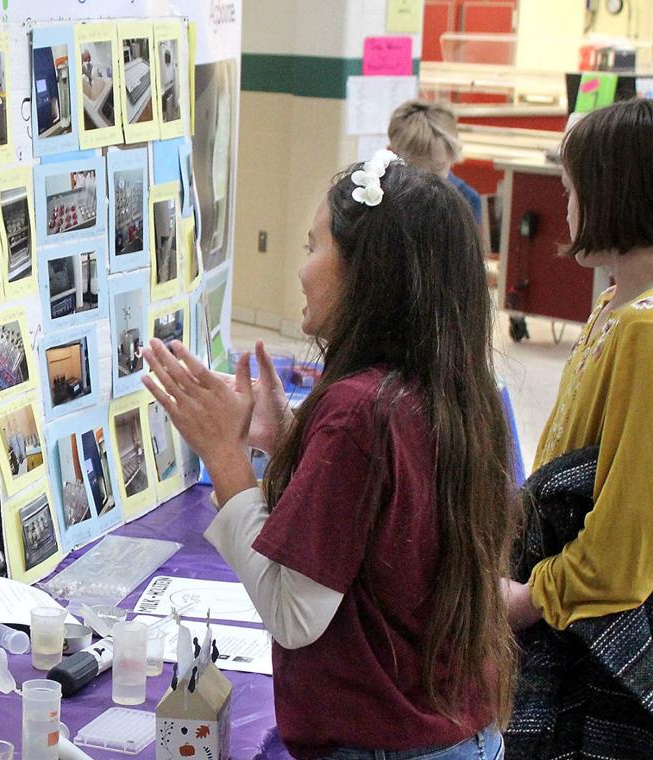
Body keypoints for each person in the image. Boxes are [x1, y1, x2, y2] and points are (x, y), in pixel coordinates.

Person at [142, 151, 516, 759]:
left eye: (314, 246)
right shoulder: (446, 388)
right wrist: (293, 439)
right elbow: (391, 515)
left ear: (365, 271)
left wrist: (225, 457)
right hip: (457, 730)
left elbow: (295, 614)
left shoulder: (357, 410)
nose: (302, 269)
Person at [503, 99, 653, 747]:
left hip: (595, 636)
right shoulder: (615, 309)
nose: (566, 206)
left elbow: (622, 547)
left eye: (570, 189)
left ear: (610, 191)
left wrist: (530, 598)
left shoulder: (645, 331)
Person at [388, 100, 491, 254]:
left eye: (436, 170)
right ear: (391, 154)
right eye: (413, 170)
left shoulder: (467, 201)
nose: (424, 182)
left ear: (453, 156)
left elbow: (468, 266)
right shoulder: (381, 196)